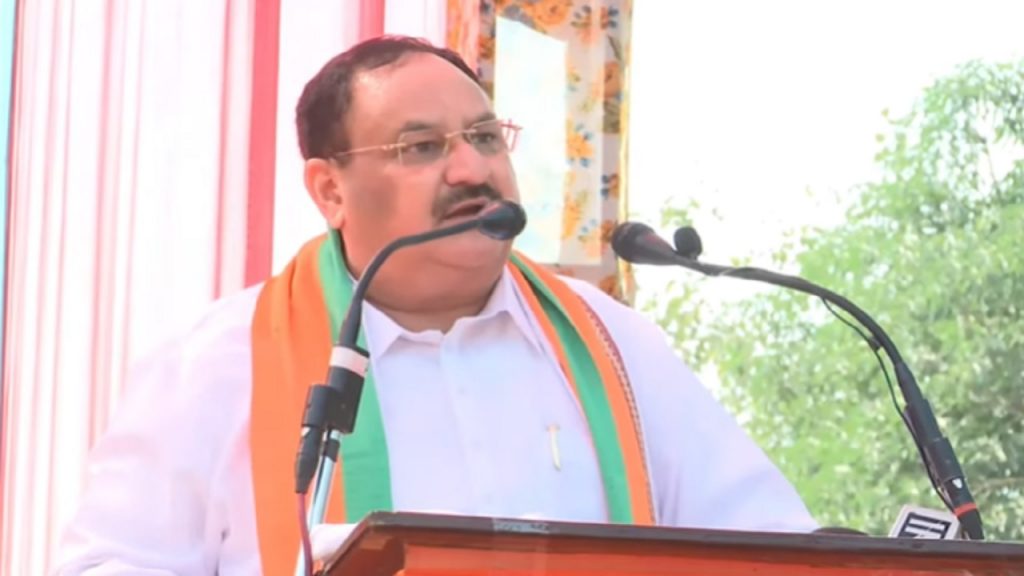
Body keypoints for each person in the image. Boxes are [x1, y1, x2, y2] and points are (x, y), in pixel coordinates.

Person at [52, 35, 818, 576]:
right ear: (329, 190)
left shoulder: (617, 348)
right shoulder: (217, 365)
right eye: (420, 148)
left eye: (485, 137)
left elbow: (772, 546)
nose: (471, 169)